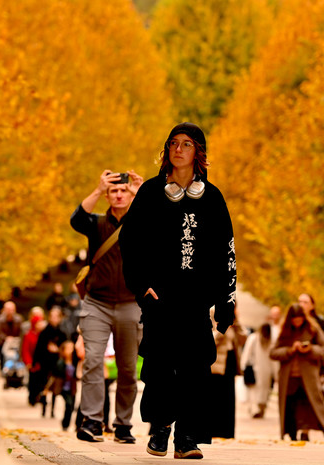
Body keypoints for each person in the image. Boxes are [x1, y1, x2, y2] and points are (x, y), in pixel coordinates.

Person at [120, 122, 237, 459]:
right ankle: (160, 428)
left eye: (187, 144)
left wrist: (226, 300)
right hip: (159, 300)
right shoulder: (150, 193)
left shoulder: (212, 198)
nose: (178, 149)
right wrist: (142, 286)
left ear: (198, 152)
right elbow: (130, 242)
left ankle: (187, 437)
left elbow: (226, 251)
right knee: (159, 366)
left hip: (195, 302)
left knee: (195, 369)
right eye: (173, 143)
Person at [71, 168, 145, 445]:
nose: (118, 195)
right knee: (92, 361)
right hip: (97, 303)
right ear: (108, 196)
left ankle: (123, 424)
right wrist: (98, 189)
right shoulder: (96, 223)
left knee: (127, 368)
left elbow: (162, 223)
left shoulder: (141, 221)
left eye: (123, 190)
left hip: (130, 304)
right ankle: (92, 421)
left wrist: (142, 195)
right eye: (114, 191)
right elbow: (76, 219)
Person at [270, 303, 324, 442]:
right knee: (290, 406)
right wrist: (290, 350)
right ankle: (292, 433)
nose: (297, 323)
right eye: (294, 320)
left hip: (309, 376)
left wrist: (310, 349)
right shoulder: (284, 331)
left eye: (299, 320)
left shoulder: (313, 329)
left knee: (314, 404)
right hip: (289, 377)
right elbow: (273, 352)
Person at [207, 311, 244, 438]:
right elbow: (210, 341)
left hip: (230, 363)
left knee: (228, 399)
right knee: (215, 398)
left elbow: (243, 340)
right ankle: (213, 430)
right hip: (216, 364)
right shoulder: (212, 313)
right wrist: (222, 330)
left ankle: (227, 432)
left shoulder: (234, 323)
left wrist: (237, 325)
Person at [34, 307, 67, 417]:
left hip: (56, 364)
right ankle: (43, 408)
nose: (54, 319)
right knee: (44, 386)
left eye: (56, 317)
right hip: (45, 363)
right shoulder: (44, 333)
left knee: (55, 387)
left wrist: (57, 350)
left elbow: (66, 348)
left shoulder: (62, 333)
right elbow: (38, 348)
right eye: (52, 316)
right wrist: (35, 362)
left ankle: (52, 410)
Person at [241, 321, 275, 418]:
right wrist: (243, 365)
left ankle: (258, 409)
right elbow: (247, 352)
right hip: (258, 369)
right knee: (258, 391)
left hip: (264, 370)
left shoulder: (269, 340)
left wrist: (243, 365)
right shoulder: (255, 338)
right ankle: (257, 409)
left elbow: (246, 352)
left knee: (260, 391)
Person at [43, 340, 78, 431]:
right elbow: (54, 377)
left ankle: (67, 423)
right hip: (62, 387)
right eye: (68, 348)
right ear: (63, 350)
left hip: (71, 388)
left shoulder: (75, 363)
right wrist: (47, 388)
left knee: (71, 406)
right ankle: (64, 424)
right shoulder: (60, 363)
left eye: (72, 348)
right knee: (68, 404)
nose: (71, 350)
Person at [0, 301, 24, 366]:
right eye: (8, 310)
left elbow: (21, 332)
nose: (10, 311)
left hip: (16, 342)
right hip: (3, 342)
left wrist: (16, 339)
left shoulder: (19, 319)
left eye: (12, 310)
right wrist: (6, 338)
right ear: (4, 310)